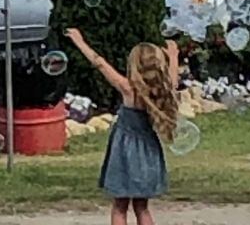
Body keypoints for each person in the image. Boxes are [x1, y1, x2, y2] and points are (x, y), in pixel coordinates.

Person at [65, 29, 180, 225]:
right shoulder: (163, 90)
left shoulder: (129, 89)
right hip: (148, 153)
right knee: (142, 207)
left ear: (134, 65)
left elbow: (99, 63)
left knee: (119, 206)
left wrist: (80, 41)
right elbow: (172, 77)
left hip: (125, 153)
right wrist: (174, 55)